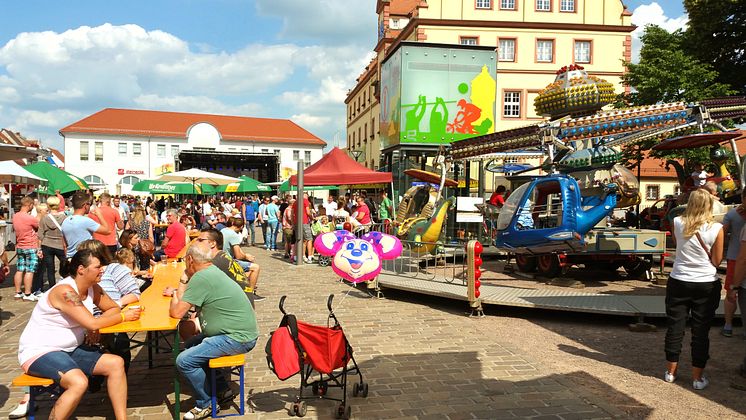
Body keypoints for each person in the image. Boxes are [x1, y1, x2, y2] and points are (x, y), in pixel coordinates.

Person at [17, 249, 141, 420]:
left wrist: (96, 326)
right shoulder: (65, 292)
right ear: (81, 269)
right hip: (40, 351)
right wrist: (121, 317)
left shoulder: (93, 288)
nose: (102, 269)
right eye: (98, 267)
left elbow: (112, 307)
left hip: (70, 349)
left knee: (115, 363)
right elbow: (93, 321)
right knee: (79, 382)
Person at [164, 244, 259, 419]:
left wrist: (179, 287)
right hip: (237, 332)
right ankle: (222, 390)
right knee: (192, 344)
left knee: (184, 361)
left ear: (190, 259)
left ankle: (205, 403)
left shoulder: (201, 277)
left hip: (236, 337)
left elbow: (176, 312)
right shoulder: (212, 271)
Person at [664, 189, 723, 390]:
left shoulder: (678, 223)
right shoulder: (717, 228)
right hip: (706, 282)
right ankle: (697, 379)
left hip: (679, 279)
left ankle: (671, 372)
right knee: (701, 331)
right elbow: (716, 261)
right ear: (709, 205)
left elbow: (677, 245)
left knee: (675, 327)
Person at [77, 241, 140, 372]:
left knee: (117, 339)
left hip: (109, 317)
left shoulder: (114, 270)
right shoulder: (76, 278)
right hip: (84, 319)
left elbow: (134, 293)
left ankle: (112, 372)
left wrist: (115, 305)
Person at [721, 190, 746, 337]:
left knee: (732, 292)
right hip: (735, 258)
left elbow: (722, 235)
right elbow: (722, 234)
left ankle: (730, 325)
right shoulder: (732, 215)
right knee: (731, 293)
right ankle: (728, 325)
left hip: (735, 258)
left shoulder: (731, 214)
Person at [61, 191, 111, 258]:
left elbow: (64, 244)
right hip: (84, 257)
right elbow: (107, 231)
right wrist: (99, 215)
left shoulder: (65, 221)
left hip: (70, 257)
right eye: (89, 204)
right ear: (85, 205)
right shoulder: (86, 221)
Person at [13, 196, 43, 301]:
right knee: (30, 270)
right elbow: (38, 225)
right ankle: (27, 293)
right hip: (30, 246)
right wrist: (40, 214)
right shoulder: (29, 218)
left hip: (20, 245)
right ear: (29, 205)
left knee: (20, 269)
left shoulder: (15, 216)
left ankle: (18, 292)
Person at [36, 196, 68, 293]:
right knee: (65, 266)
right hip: (60, 244)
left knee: (50, 269)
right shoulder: (64, 217)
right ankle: (66, 285)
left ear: (48, 206)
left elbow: (40, 235)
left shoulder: (45, 218)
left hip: (47, 244)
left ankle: (51, 289)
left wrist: (39, 249)